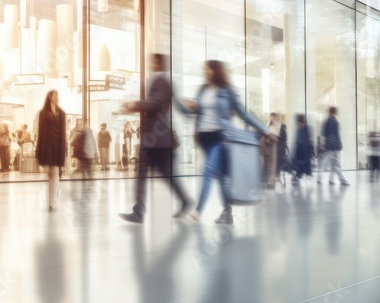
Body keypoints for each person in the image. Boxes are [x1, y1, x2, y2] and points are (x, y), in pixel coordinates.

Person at [185, 60, 276, 224]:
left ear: (216, 71)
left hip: (221, 137)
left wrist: (266, 130)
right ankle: (227, 213)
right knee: (221, 176)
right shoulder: (203, 89)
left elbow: (244, 114)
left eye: (208, 69)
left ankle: (198, 211)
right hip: (205, 138)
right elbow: (198, 112)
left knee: (208, 171)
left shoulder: (227, 91)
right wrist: (191, 109)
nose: (205, 71)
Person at [118, 53, 194, 223]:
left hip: (156, 139)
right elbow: (176, 106)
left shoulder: (161, 81)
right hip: (156, 138)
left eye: (154, 61)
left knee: (159, 174)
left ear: (160, 64)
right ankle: (139, 210)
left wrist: (135, 105)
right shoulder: (163, 82)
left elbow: (157, 103)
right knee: (146, 173)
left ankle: (142, 210)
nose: (152, 64)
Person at [36, 90, 66, 211]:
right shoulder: (43, 113)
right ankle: (51, 200)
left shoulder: (61, 113)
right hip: (47, 147)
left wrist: (64, 150)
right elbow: (41, 132)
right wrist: (39, 151)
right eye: (55, 95)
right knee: (51, 174)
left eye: (58, 95)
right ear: (49, 97)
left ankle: (52, 202)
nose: (57, 98)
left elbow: (63, 133)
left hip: (57, 147)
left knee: (54, 173)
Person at [317, 107, 349, 186]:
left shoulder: (325, 122)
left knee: (330, 163)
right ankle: (341, 180)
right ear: (334, 112)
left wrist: (322, 145)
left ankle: (330, 179)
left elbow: (322, 134)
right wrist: (339, 145)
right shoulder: (335, 121)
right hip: (335, 146)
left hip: (329, 146)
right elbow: (336, 135)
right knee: (336, 164)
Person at [71, 118, 96, 188]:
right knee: (86, 168)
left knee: (84, 167)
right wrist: (94, 153)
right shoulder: (86, 132)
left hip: (85, 154)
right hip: (86, 154)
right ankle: (90, 181)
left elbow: (74, 142)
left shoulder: (84, 132)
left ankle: (86, 179)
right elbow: (92, 143)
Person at [291, 114, 314, 184]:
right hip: (303, 149)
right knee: (302, 163)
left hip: (303, 149)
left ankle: (300, 175)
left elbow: (299, 139)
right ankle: (300, 175)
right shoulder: (305, 128)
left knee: (301, 163)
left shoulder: (302, 128)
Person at [261, 113, 282, 189]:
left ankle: (270, 182)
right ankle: (265, 180)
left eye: (272, 117)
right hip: (266, 146)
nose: (271, 118)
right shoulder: (269, 124)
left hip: (272, 146)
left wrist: (269, 136)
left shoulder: (277, 125)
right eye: (270, 117)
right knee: (266, 164)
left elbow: (275, 136)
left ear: (275, 117)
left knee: (271, 164)